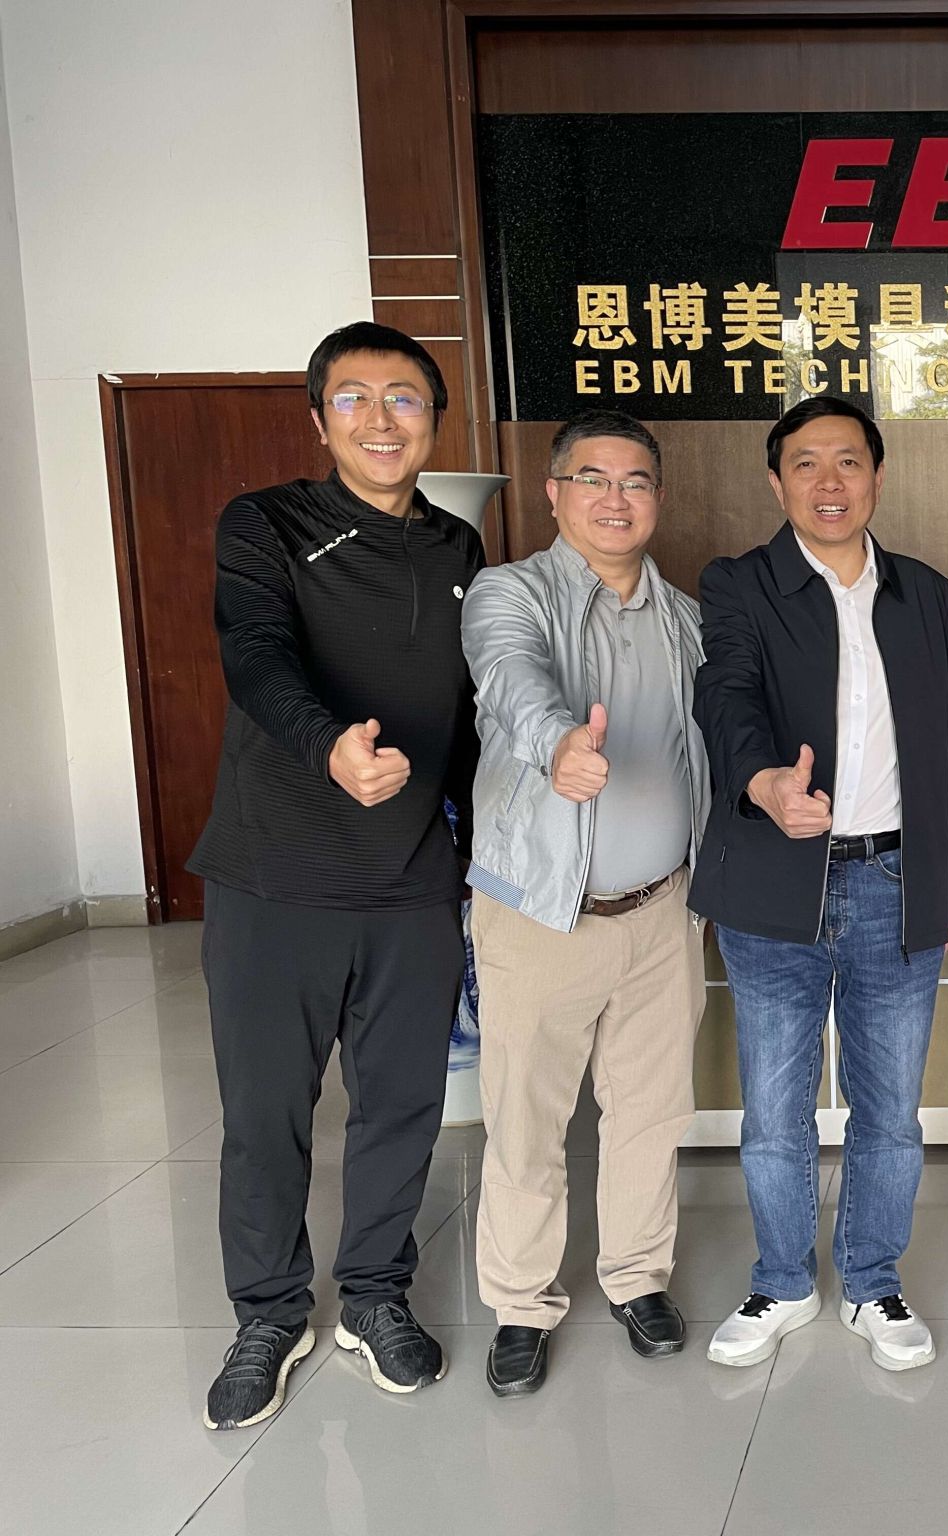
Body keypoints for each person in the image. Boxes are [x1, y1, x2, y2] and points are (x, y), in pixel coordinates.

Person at [188, 321, 483, 1429]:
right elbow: (255, 654)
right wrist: (328, 748)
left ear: (433, 420)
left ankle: (372, 1296)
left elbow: (467, 712)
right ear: (319, 421)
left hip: (411, 883)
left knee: (402, 1106)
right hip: (275, 877)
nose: (380, 419)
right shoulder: (265, 522)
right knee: (266, 1114)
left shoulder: (459, 549)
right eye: (353, 398)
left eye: (403, 398)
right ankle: (268, 1312)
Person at [689, 396, 948, 1372]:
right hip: (777, 883)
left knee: (889, 1111)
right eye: (805, 463)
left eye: (847, 461)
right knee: (775, 1113)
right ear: (776, 483)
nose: (828, 481)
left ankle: (871, 1280)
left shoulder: (924, 591)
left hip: (897, 879)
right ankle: (781, 1280)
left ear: (877, 476)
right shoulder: (739, 584)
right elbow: (725, 694)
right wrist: (762, 780)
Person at [460, 408, 712, 1396]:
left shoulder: (685, 617)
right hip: (541, 914)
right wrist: (559, 743)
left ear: (658, 498)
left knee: (650, 1112)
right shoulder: (508, 592)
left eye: (636, 481)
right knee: (526, 1119)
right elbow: (509, 680)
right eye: (593, 479)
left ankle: (637, 1278)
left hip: (661, 912)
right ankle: (521, 1303)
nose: (617, 498)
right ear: (555, 492)